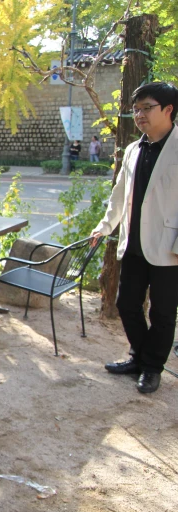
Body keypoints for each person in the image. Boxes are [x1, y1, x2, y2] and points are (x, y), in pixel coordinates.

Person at [90, 81, 178, 394]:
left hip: (170, 249)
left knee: (163, 313)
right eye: (136, 109)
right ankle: (140, 357)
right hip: (135, 243)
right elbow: (120, 193)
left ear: (168, 110)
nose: (139, 114)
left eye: (146, 108)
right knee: (127, 304)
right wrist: (105, 226)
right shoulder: (133, 149)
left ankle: (152, 368)